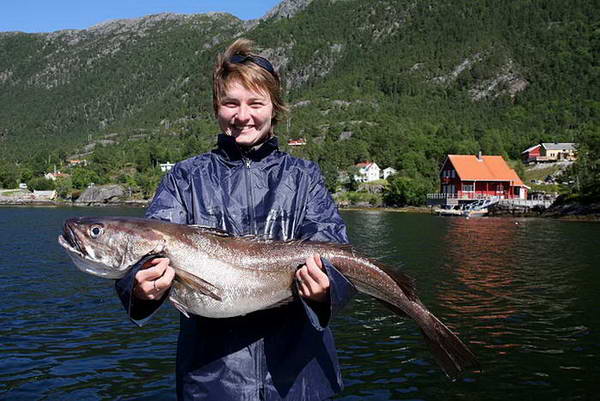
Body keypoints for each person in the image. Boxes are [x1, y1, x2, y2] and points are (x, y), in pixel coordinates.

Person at [115, 38, 356, 401]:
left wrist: (326, 289)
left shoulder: (304, 178)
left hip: (300, 380)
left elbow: (336, 253)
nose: (243, 116)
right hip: (211, 382)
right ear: (217, 108)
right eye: (231, 103)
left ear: (275, 108)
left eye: (255, 103)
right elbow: (144, 248)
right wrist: (139, 288)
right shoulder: (185, 179)